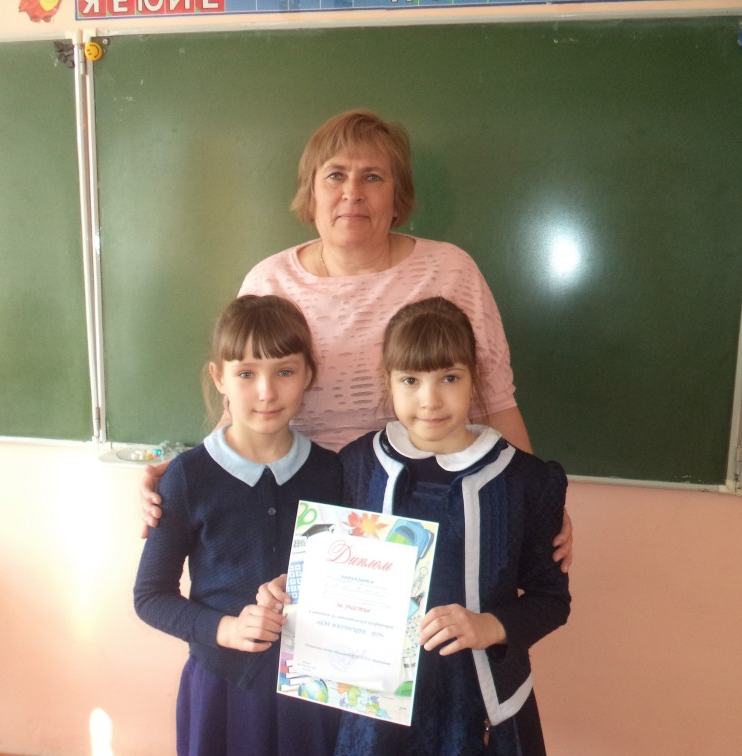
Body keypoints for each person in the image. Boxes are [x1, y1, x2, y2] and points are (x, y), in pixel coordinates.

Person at [140, 108, 573, 571]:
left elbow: (495, 401)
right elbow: (239, 411)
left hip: (426, 506)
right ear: (311, 192)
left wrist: (537, 503)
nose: (352, 193)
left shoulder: (451, 272)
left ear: (397, 195)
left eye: (372, 177)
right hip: (296, 506)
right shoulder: (269, 282)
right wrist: (181, 478)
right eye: (335, 176)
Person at [260, 297, 570, 756]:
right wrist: (297, 588)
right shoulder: (357, 466)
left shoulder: (525, 480)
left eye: (449, 378)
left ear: (474, 378)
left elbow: (551, 600)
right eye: (410, 380)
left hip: (478, 709)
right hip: (375, 713)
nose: (430, 399)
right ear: (388, 381)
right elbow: (330, 561)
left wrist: (489, 626)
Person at [133, 295, 342, 756]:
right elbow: (150, 596)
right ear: (219, 378)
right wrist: (225, 629)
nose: (266, 392)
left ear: (309, 374)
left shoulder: (332, 472)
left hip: (312, 693)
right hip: (222, 689)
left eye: (284, 371)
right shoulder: (188, 477)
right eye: (246, 373)